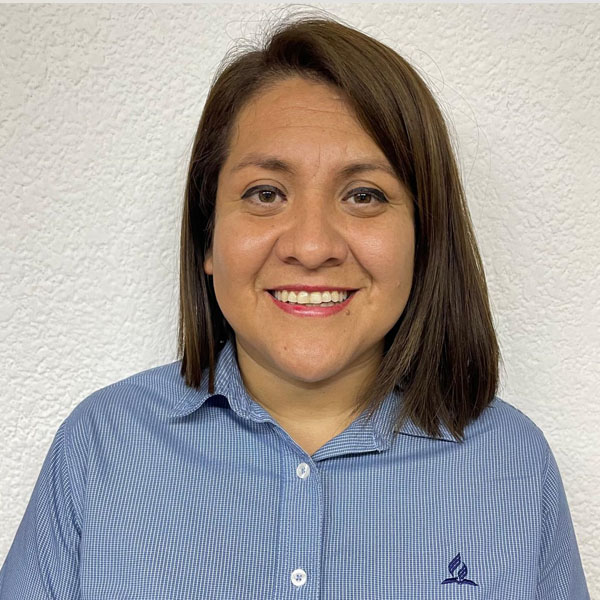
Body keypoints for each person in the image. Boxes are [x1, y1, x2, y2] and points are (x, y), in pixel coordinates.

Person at [0, 12, 590, 599]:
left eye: (364, 195)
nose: (311, 247)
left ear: (425, 237)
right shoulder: (101, 447)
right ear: (207, 238)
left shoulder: (513, 466)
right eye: (266, 193)